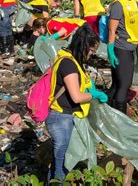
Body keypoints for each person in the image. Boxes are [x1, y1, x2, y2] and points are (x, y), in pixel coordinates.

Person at [46, 24, 107, 182]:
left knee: (60, 161)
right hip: (61, 118)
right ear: (83, 46)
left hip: (66, 117)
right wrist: (94, 95)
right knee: (61, 164)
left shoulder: (72, 60)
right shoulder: (69, 64)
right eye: (92, 51)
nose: (92, 54)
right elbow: (76, 97)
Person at [107, 0, 138, 114]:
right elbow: (111, 30)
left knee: (117, 84)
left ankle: (108, 111)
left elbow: (136, 21)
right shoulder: (118, 5)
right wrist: (110, 49)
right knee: (124, 85)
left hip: (131, 45)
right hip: (121, 49)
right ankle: (121, 117)